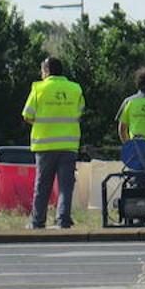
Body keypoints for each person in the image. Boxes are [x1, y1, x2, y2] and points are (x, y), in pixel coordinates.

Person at [22, 56, 84, 229]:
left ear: (46, 71)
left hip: (45, 145)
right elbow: (79, 112)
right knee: (66, 186)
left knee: (42, 186)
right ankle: (63, 220)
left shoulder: (38, 88)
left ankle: (37, 221)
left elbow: (27, 115)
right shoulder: (75, 89)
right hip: (69, 145)